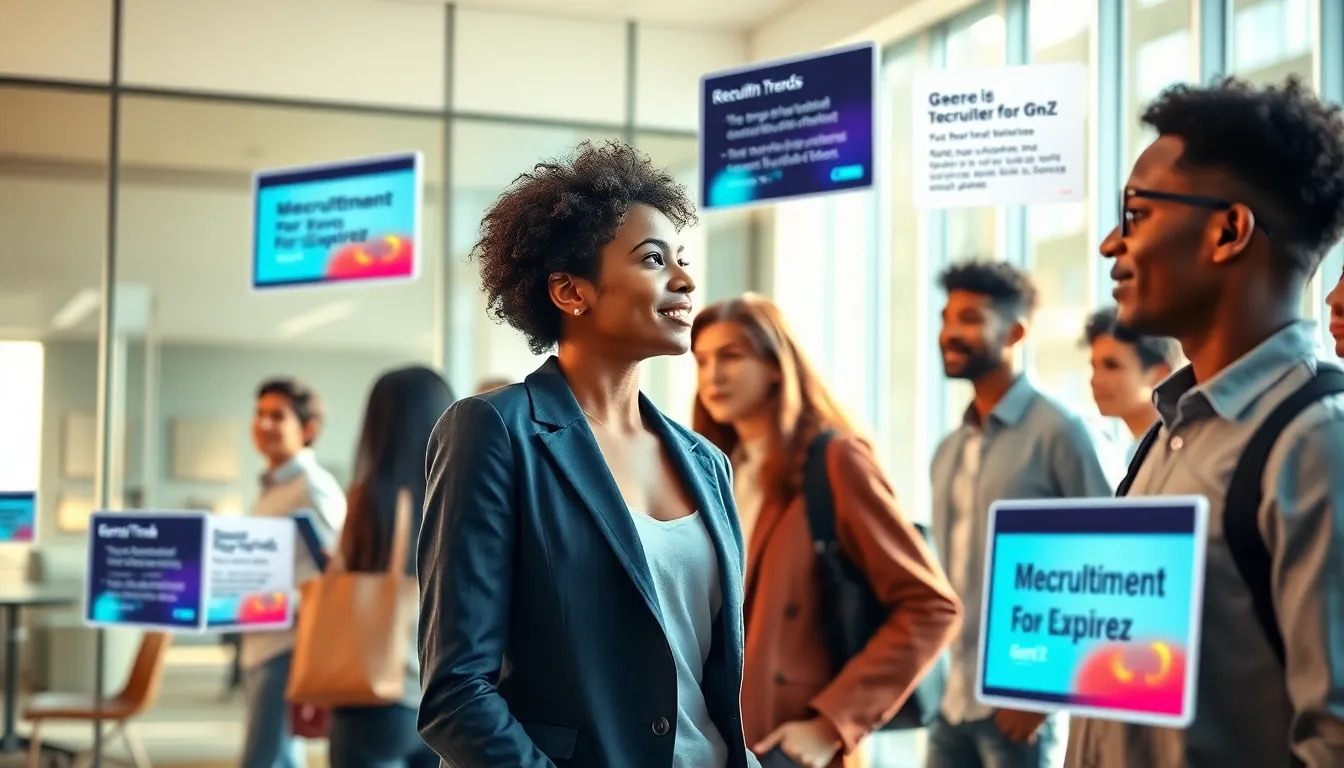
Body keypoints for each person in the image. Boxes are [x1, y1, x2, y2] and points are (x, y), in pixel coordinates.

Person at [417, 140, 759, 768]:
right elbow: (455, 693)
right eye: (653, 259)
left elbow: (708, 680)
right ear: (571, 292)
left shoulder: (707, 462)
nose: (684, 279)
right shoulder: (494, 432)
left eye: (681, 259)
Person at [1065, 76, 1344, 768]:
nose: (1109, 245)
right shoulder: (1169, 432)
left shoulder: (1317, 445)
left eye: (1135, 215)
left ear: (1227, 231)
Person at [691, 293, 961, 768]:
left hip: (791, 746)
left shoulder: (834, 462)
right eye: (702, 360)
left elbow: (931, 607)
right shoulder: (712, 471)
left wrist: (831, 724)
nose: (712, 375)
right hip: (719, 738)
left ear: (776, 366)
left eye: (731, 356)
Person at [928, 260, 1115, 768]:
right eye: (946, 317)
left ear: (1015, 333)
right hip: (954, 701)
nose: (949, 332)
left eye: (969, 318)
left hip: (1023, 706)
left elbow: (1105, 560)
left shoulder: (1064, 431)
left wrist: (1046, 691)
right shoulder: (949, 449)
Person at [328, 366, 454, 768]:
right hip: (445, 695)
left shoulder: (370, 496)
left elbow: (338, 586)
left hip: (372, 693)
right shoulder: (460, 491)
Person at [242, 377, 346, 768]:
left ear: (308, 429)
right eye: (260, 414)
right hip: (259, 640)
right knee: (282, 758)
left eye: (277, 416)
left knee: (261, 759)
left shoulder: (313, 487)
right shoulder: (272, 487)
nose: (264, 424)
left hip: (288, 645)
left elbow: (338, 573)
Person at [1081, 305, 1182, 453]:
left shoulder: (1176, 448)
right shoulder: (1128, 452)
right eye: (1094, 366)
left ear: (1160, 373)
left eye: (1112, 366)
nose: (1095, 380)